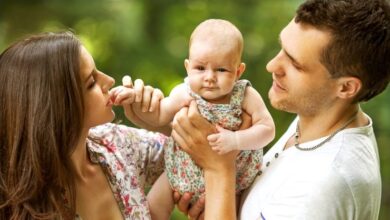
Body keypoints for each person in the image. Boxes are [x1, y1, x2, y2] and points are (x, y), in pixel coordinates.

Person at [171, 0, 389, 219]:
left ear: (346, 87)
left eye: (296, 64)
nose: (272, 66)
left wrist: (218, 170)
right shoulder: (316, 120)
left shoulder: (320, 187)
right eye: (282, 48)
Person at [0, 32, 170, 220]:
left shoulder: (117, 145)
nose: (109, 81)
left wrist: (161, 122)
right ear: (57, 106)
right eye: (91, 82)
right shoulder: (15, 203)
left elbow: (196, 150)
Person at [134, 19, 275, 220]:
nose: (209, 77)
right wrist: (134, 101)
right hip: (181, 168)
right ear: (187, 66)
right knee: (152, 208)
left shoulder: (245, 95)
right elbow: (159, 115)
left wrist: (235, 140)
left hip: (231, 180)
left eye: (221, 70)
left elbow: (267, 129)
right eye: (200, 68)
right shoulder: (184, 92)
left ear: (238, 71)